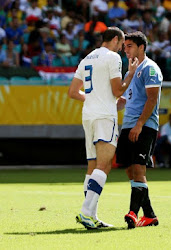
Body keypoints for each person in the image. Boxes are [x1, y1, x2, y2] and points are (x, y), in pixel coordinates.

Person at [68, 27, 138, 229]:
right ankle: (85, 213)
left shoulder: (87, 58)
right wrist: (130, 74)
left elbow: (73, 92)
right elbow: (118, 89)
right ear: (115, 40)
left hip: (88, 116)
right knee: (104, 165)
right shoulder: (113, 58)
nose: (122, 49)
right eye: (122, 44)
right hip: (105, 116)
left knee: (92, 167)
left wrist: (96, 99)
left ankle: (92, 216)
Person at [116, 31, 163, 229]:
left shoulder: (150, 68)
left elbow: (152, 99)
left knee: (138, 169)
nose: (125, 50)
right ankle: (150, 215)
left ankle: (133, 213)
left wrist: (139, 124)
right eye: (125, 46)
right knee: (129, 170)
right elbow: (126, 99)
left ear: (141, 47)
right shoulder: (131, 70)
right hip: (128, 126)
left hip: (143, 126)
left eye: (129, 46)